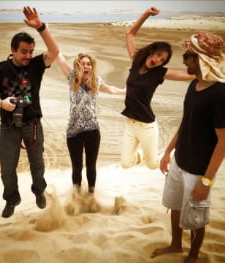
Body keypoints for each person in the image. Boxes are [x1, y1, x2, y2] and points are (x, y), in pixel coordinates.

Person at [151, 31, 225, 263]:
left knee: (196, 216)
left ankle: (193, 255)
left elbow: (223, 141)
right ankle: (175, 245)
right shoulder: (194, 85)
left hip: (199, 170)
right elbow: (186, 122)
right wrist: (168, 151)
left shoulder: (220, 93)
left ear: (201, 59)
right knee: (175, 205)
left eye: (187, 56)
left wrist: (207, 180)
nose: (183, 60)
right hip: (180, 161)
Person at [0, 6, 59, 218]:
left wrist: (41, 27)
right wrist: (1, 103)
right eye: (23, 51)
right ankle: (12, 199)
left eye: (31, 51)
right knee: (7, 168)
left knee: (38, 164)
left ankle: (39, 191)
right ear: (13, 50)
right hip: (8, 126)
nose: (28, 55)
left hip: (33, 124)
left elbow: (54, 52)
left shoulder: (36, 65)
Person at [120, 7, 194, 170]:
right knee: (126, 164)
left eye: (162, 60)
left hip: (147, 126)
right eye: (157, 55)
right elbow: (130, 34)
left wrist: (192, 50)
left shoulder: (160, 73)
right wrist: (146, 14)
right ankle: (139, 155)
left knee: (153, 165)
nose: (158, 60)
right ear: (151, 51)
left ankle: (174, 157)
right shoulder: (136, 60)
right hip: (130, 124)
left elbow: (190, 75)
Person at [56, 52, 125, 194]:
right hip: (73, 132)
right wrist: (48, 38)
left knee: (91, 165)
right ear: (78, 65)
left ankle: (91, 194)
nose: (86, 66)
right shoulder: (72, 78)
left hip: (92, 130)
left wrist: (127, 91)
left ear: (92, 67)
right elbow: (59, 57)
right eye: (83, 63)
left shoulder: (96, 81)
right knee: (76, 167)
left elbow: (111, 90)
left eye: (89, 64)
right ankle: (76, 196)